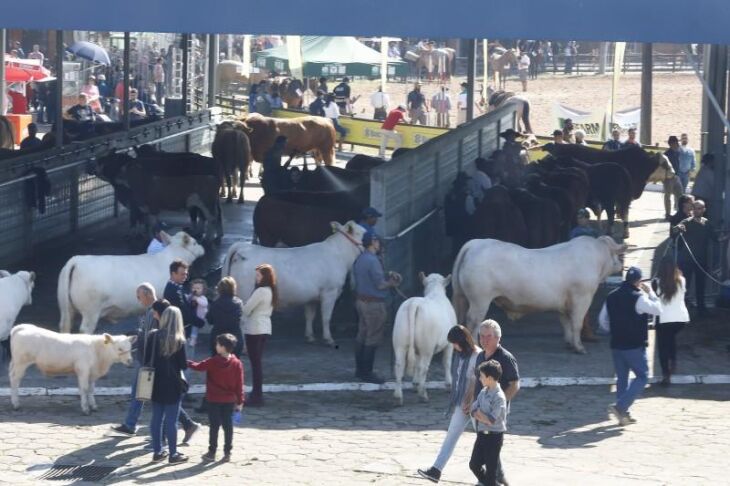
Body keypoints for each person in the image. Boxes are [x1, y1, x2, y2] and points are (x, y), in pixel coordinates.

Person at [598, 267, 662, 425]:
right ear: (639, 282)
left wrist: (614, 331)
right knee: (642, 376)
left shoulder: (611, 296)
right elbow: (658, 310)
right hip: (633, 345)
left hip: (616, 344)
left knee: (622, 378)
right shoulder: (638, 298)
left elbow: (602, 320)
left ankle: (623, 415)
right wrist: (652, 293)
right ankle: (620, 407)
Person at [417, 325, 481, 483]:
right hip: (462, 402)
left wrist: (469, 400)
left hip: (477, 403)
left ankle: (491, 475)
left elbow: (476, 380)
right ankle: (436, 470)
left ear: (462, 341)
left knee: (485, 440)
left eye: (455, 343)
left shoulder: (477, 355)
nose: (453, 346)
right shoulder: (461, 355)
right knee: (451, 435)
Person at [110, 290, 165, 436]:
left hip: (148, 360)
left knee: (147, 394)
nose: (138, 300)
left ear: (147, 295)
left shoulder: (157, 310)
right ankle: (130, 424)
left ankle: (187, 424)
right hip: (145, 358)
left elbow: (152, 336)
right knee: (142, 393)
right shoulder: (149, 310)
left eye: (139, 297)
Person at [471, 320, 519, 485]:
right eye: (481, 336)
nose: (484, 340)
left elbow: (514, 384)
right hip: (479, 409)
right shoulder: (480, 356)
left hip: (495, 414)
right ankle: (493, 480)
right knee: (487, 450)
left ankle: (494, 480)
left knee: (491, 448)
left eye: (488, 337)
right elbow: (476, 381)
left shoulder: (505, 358)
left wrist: (499, 405)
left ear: (498, 338)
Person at [352, 232, 401, 384]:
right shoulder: (373, 260)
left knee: (362, 335)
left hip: (361, 301)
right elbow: (380, 284)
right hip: (374, 304)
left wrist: (386, 274)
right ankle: (367, 373)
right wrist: (392, 283)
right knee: (373, 337)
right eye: (377, 241)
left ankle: (360, 370)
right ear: (372, 242)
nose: (379, 244)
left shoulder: (360, 258)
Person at [188, 333, 244, 463]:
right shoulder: (237, 363)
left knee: (214, 426)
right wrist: (240, 401)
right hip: (229, 401)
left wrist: (185, 362)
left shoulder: (213, 361)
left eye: (218, 344)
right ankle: (227, 452)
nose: (216, 346)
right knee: (228, 426)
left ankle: (212, 452)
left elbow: (198, 366)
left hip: (213, 400)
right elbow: (239, 384)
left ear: (223, 347)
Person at [145, 306, 190, 464]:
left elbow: (146, 360)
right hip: (173, 384)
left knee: (156, 418)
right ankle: (173, 454)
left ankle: (157, 452)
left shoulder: (153, 336)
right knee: (171, 421)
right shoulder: (179, 340)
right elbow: (183, 365)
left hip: (155, 382)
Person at [672, 199, 717, 316]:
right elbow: (674, 231)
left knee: (700, 286)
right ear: (693, 209)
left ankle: (701, 309)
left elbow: (715, 238)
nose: (698, 210)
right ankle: (682, 309)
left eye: (700, 208)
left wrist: (725, 237)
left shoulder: (707, 223)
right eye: (696, 208)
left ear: (704, 210)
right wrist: (677, 228)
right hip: (687, 261)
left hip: (701, 261)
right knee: (684, 286)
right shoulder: (686, 222)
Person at [242, 264, 277, 406]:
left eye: (258, 275)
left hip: (254, 328)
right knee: (257, 363)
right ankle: (257, 394)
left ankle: (257, 395)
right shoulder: (271, 290)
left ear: (265, 277)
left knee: (255, 364)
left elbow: (247, 309)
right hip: (265, 327)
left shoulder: (260, 291)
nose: (256, 278)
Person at [468, 360, 507, 486]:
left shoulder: (499, 397)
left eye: (481, 376)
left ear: (490, 378)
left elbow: (491, 420)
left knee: (491, 471)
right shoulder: (483, 392)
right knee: (474, 464)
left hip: (494, 437)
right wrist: (478, 414)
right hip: (482, 435)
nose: (479, 378)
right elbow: (473, 410)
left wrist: (479, 415)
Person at [652, 258, 690, 385]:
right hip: (680, 319)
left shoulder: (656, 282)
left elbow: (655, 299)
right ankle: (673, 360)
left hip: (664, 319)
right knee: (671, 339)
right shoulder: (682, 281)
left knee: (662, 347)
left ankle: (666, 374)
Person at [189, 279, 209, 353]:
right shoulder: (192, 296)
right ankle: (192, 338)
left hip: (200, 317)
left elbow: (205, 304)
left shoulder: (203, 298)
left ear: (203, 290)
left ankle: (193, 339)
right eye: (194, 288)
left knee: (195, 327)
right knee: (193, 326)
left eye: (198, 288)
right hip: (193, 317)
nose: (196, 290)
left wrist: (196, 299)